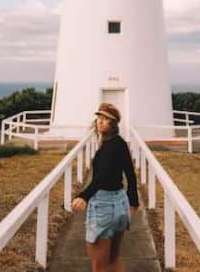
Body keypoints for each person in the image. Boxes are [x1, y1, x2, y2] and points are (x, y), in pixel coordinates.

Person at [70, 103, 139, 272]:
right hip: (121, 205)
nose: (100, 122)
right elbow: (130, 173)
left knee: (99, 265)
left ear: (113, 124)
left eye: (106, 119)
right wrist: (133, 199)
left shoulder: (109, 147)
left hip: (104, 207)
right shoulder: (120, 143)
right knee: (113, 259)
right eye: (99, 117)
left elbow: (102, 177)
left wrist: (84, 196)